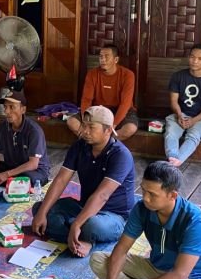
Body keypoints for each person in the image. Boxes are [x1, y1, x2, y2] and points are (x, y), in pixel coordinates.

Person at [90, 161, 201, 279]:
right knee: (98, 259)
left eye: (152, 194)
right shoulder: (142, 208)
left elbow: (179, 276)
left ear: (173, 196)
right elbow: (121, 249)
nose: (145, 198)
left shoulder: (196, 221)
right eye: (143, 190)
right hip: (156, 269)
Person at [33, 106, 135, 257]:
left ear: (108, 130)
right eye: (84, 125)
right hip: (85, 207)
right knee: (39, 208)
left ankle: (83, 234)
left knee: (94, 225)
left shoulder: (120, 155)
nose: (85, 131)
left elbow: (102, 196)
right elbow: (61, 180)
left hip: (114, 216)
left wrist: (76, 224)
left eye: (91, 127)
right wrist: (42, 213)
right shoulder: (80, 146)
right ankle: (80, 236)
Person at [0, 90, 50, 186]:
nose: (6, 111)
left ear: (23, 109)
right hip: (12, 167)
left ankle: (9, 181)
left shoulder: (34, 131)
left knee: (29, 179)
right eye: (5, 107)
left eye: (12, 107)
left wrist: (6, 174)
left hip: (35, 171)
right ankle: (10, 182)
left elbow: (33, 164)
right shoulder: (2, 127)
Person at [164, 44, 201, 166]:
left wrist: (194, 120)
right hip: (180, 114)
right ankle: (172, 158)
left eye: (200, 59)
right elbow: (174, 101)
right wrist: (179, 115)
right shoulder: (178, 76)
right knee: (171, 132)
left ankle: (175, 163)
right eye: (192, 57)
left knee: (193, 136)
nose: (195, 61)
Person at [67, 45, 139, 141]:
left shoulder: (128, 75)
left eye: (106, 56)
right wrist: (86, 120)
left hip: (119, 110)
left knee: (130, 128)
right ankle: (91, 141)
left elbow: (125, 104)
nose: (102, 59)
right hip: (99, 109)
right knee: (72, 122)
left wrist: (113, 125)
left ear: (116, 59)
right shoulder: (92, 74)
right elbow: (86, 99)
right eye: (101, 56)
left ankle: (107, 143)